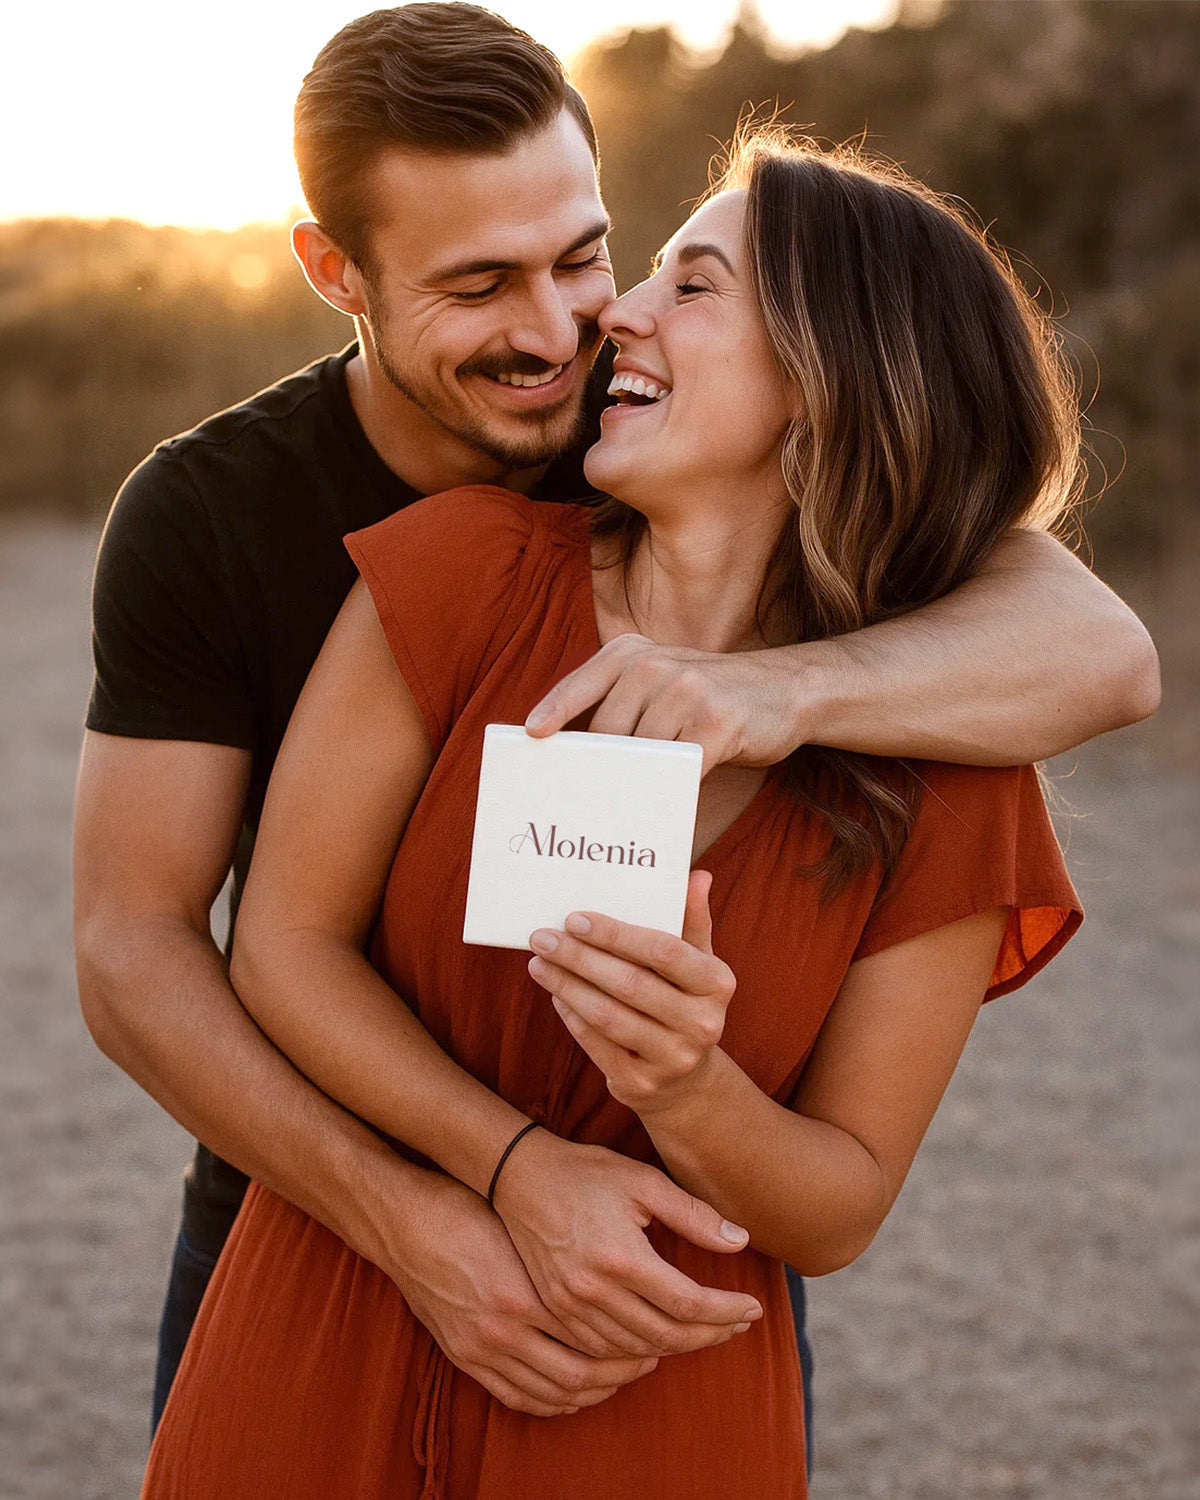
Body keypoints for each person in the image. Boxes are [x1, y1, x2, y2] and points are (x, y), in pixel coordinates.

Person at [71, 0, 1157, 1468]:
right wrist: (453, 1204)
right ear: (337, 275)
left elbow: (1101, 643)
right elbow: (147, 950)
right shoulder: (310, 535)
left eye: (599, 258)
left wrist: (783, 699)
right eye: (477, 286)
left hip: (659, 1312)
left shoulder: (889, 666)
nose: (578, 324)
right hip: (324, 1193)